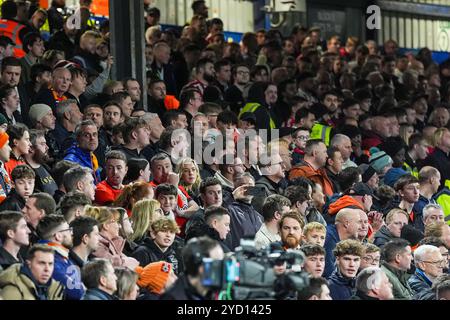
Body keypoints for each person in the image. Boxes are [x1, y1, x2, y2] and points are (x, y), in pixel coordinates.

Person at [36, 214, 85, 300]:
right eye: (68, 230)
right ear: (58, 236)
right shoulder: (47, 259)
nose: (72, 233)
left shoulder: (62, 256)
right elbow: (75, 292)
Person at [324, 208, 363, 278]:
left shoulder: (334, 236)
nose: (360, 227)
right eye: (358, 222)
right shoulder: (328, 238)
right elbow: (328, 273)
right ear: (347, 223)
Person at [24, 129, 57, 195]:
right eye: (43, 144)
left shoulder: (46, 167)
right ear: (31, 148)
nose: (47, 147)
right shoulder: (26, 172)